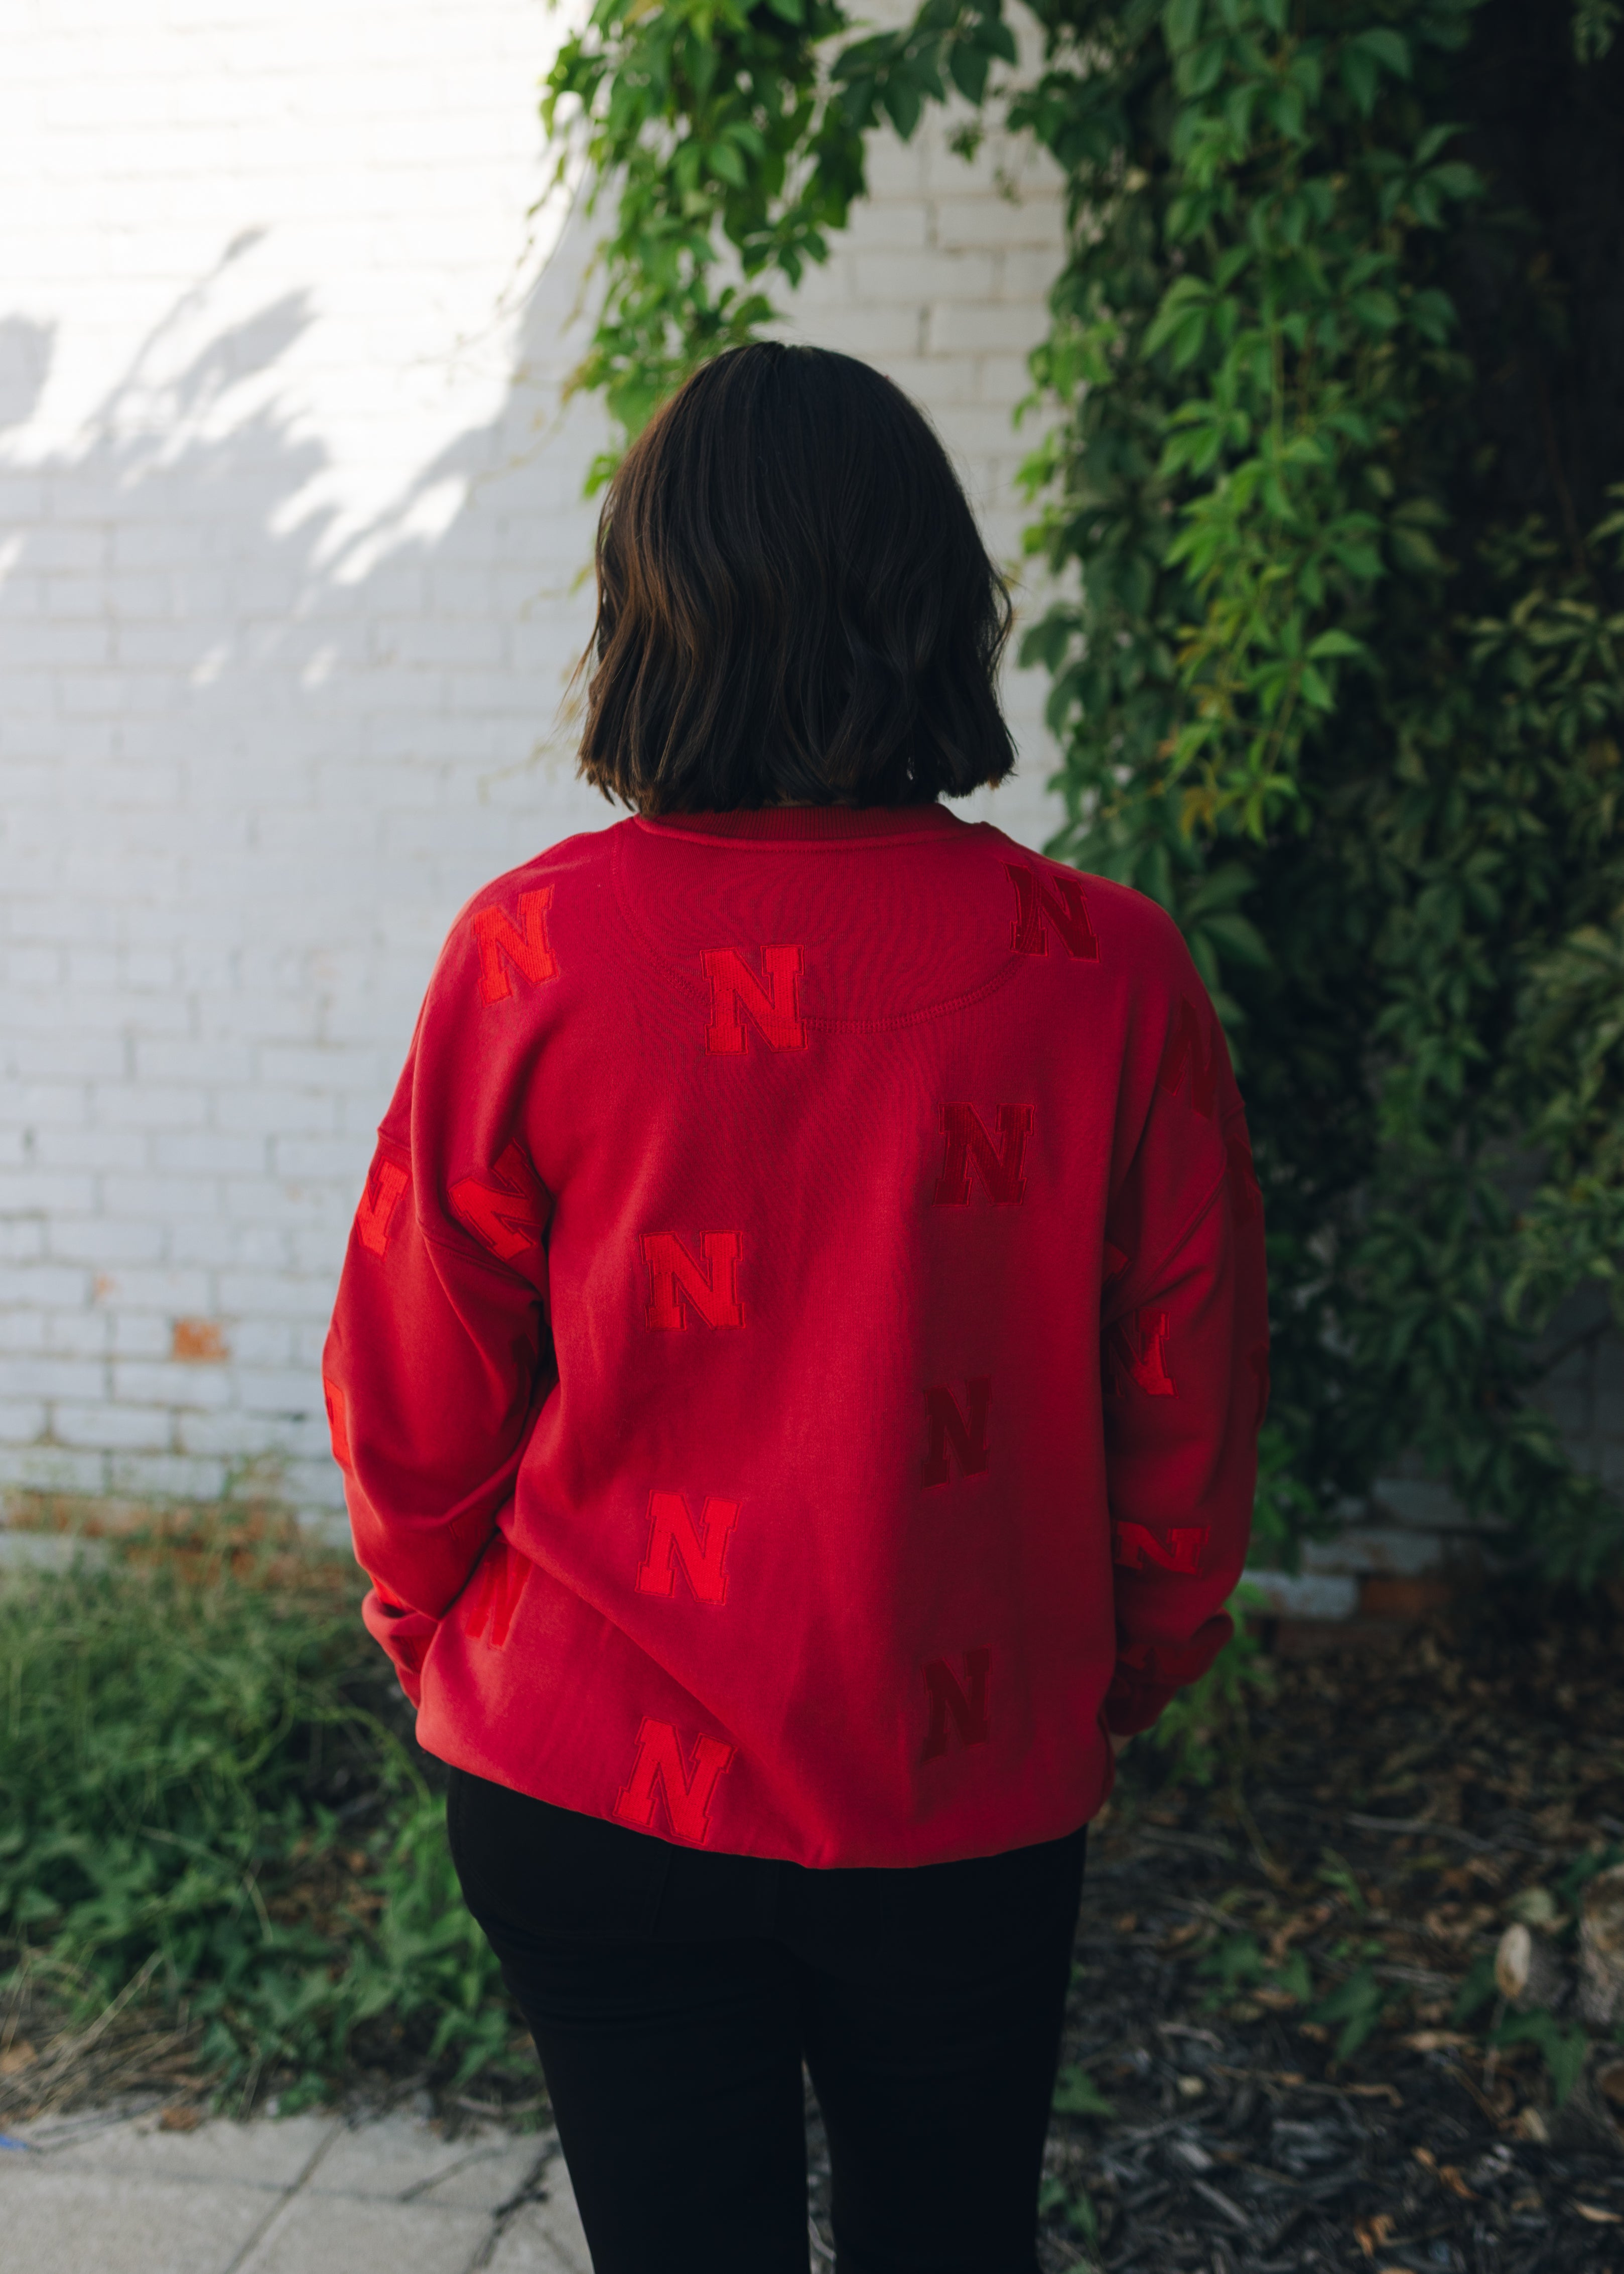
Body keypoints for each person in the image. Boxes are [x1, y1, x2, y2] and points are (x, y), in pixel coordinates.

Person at [322, 342, 1267, 2274]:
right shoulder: (1104, 972)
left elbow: (411, 1393)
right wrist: (1127, 1662)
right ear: (940, 611)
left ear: (640, 621)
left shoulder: (533, 955)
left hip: (586, 1773)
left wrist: (441, 1642)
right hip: (967, 1779)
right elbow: (1188, 1387)